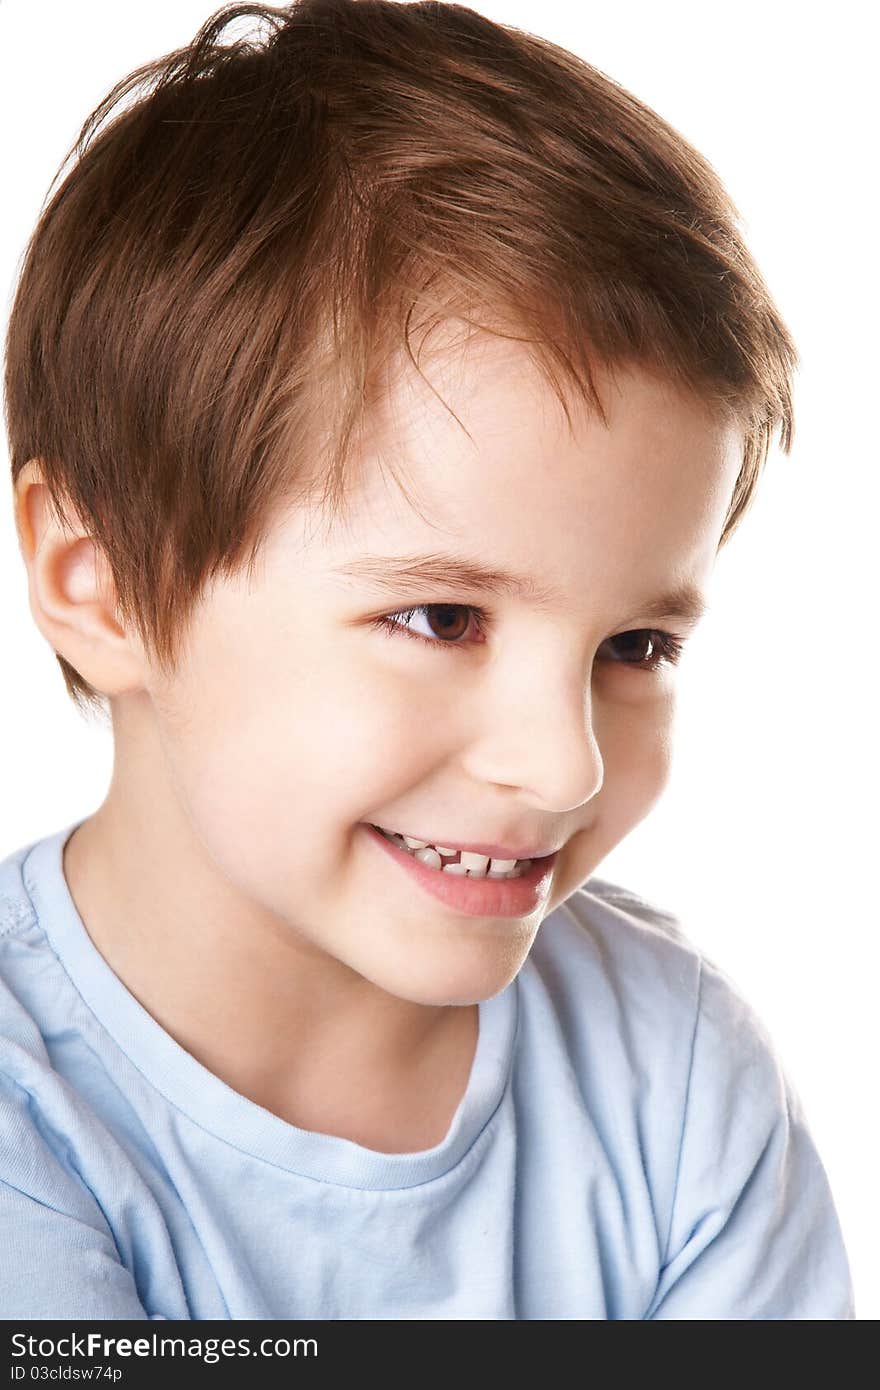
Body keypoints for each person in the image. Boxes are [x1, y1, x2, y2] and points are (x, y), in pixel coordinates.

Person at [0, 0, 854, 1319]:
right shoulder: (27, 1120)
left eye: (638, 644)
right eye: (443, 619)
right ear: (98, 582)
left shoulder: (680, 1083)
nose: (562, 763)